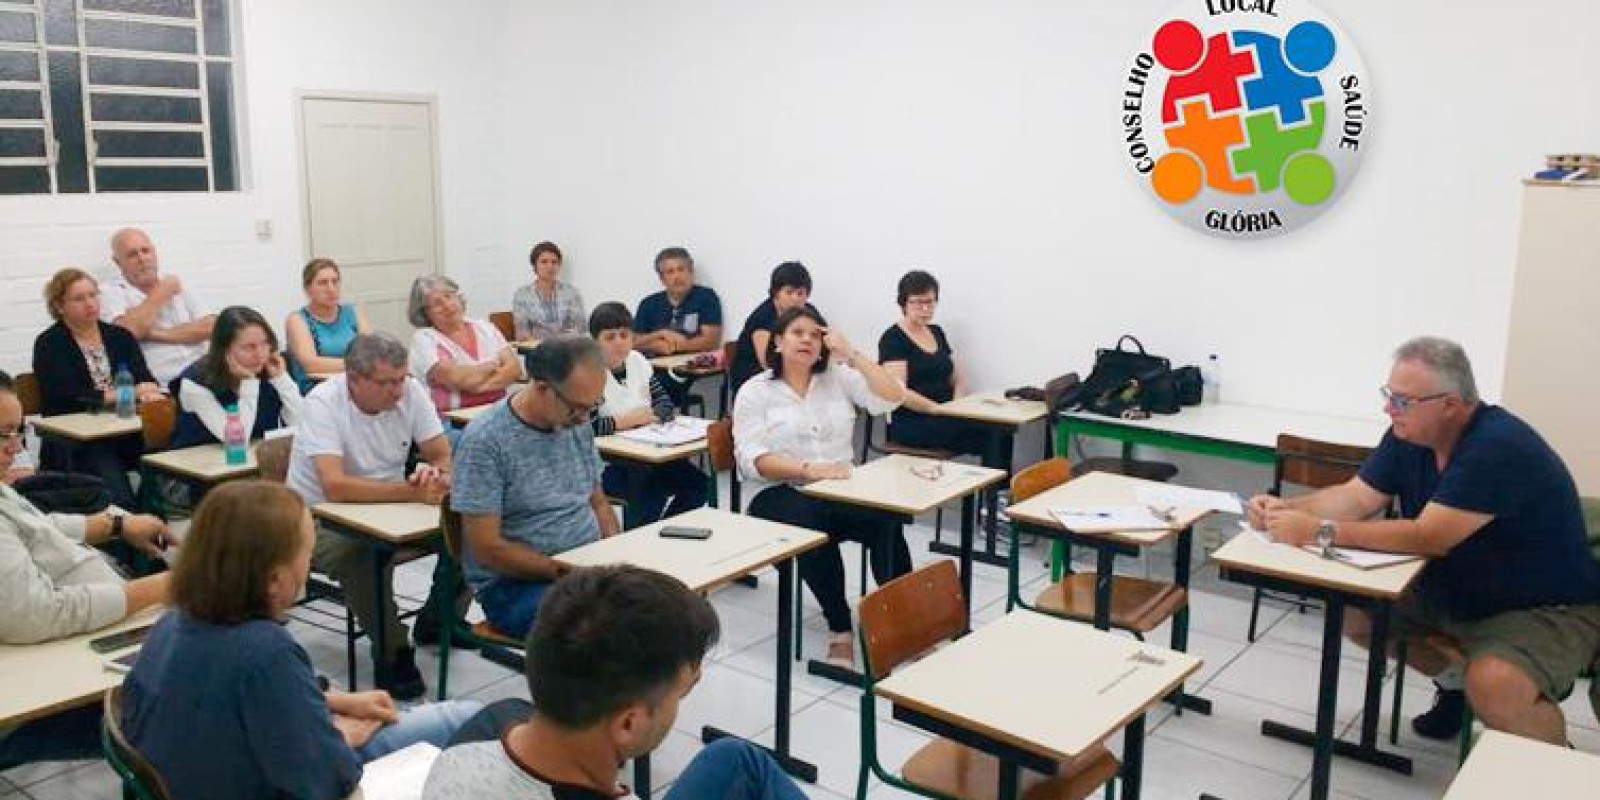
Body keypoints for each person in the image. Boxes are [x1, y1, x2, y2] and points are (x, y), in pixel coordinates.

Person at [1246, 336, 1600, 746]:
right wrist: (1287, 509)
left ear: (1450, 404)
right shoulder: (1408, 435)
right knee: (1354, 614)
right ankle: (1455, 688)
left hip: (1543, 605)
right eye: (1389, 396)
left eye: (1402, 400)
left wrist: (1318, 532)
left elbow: (1429, 537)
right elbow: (1356, 497)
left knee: (1496, 683)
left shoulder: (1498, 447)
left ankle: (1554, 773)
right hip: (1459, 587)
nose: (1388, 408)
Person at [121, 480, 481, 800]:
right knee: (469, 719)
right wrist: (335, 738)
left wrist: (328, 703)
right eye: (307, 554)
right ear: (275, 579)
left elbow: (230, 702)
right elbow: (331, 780)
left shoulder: (173, 623)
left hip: (209, 775)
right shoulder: (265, 651)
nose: (309, 565)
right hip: (279, 782)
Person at [422, 564, 808, 800]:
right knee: (740, 761)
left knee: (734, 758)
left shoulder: (471, 741)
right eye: (681, 692)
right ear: (628, 724)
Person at [0, 369, 171, 769]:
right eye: (2, 435)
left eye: (17, 432)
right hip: (42, 677)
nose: (15, 448)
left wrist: (116, 524)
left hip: (79, 633)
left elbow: (38, 530)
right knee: (189, 698)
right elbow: (35, 615)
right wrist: (159, 588)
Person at [733, 306, 906, 668]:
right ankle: (840, 627)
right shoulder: (755, 391)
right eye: (798, 333)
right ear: (778, 341)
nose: (808, 340)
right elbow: (754, 459)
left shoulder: (838, 377)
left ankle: (901, 619)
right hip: (777, 490)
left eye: (815, 334)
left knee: (886, 521)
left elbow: (893, 397)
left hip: (838, 487)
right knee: (810, 526)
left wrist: (853, 354)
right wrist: (808, 469)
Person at [287, 333, 453, 700]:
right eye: (386, 383)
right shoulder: (322, 404)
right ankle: (393, 651)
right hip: (318, 521)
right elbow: (335, 486)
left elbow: (442, 454)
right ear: (354, 379)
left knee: (467, 532)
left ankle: (440, 619)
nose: (398, 391)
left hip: (391, 509)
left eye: (402, 379)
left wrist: (434, 474)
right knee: (361, 556)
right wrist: (411, 492)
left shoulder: (410, 391)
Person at [452, 336, 619, 640]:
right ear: (542, 388)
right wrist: (566, 572)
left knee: (658, 608)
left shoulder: (576, 425)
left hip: (583, 567)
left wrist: (615, 555)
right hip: (514, 584)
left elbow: (598, 503)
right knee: (600, 629)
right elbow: (486, 548)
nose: (584, 418)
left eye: (593, 407)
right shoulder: (486, 441)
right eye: (577, 408)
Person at [31, 268, 165, 508]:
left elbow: (144, 378)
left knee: (167, 455)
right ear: (60, 306)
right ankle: (128, 525)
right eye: (79, 299)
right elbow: (70, 397)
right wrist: (127, 393)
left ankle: (151, 520)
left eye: (93, 295)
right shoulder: (50, 343)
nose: (90, 303)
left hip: (125, 430)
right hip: (79, 440)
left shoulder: (119, 336)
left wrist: (148, 391)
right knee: (117, 490)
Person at [590, 302, 707, 524]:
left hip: (650, 452)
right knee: (647, 493)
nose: (618, 342)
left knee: (697, 483)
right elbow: (589, 426)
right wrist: (628, 421)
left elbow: (663, 402)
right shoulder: (589, 371)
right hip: (611, 464)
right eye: (610, 337)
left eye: (624, 335)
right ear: (595, 341)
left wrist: (655, 415)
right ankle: (641, 542)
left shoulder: (638, 361)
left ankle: (667, 534)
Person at [876, 270, 990, 457]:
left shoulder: (937, 332)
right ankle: (988, 486)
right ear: (903, 302)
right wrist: (935, 409)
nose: (926, 309)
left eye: (930, 302)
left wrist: (955, 407)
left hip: (945, 414)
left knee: (1000, 429)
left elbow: (959, 378)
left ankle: (997, 486)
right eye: (918, 302)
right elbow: (898, 392)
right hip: (914, 420)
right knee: (987, 435)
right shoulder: (893, 338)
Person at [170, 306, 303, 449]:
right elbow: (236, 442)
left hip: (253, 462)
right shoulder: (195, 383)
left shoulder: (271, 369)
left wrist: (281, 380)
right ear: (224, 351)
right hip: (197, 466)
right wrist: (249, 383)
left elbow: (301, 425)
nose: (260, 354)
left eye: (265, 343)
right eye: (249, 347)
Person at [99, 227, 215, 386]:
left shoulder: (177, 283)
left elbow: (212, 327)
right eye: (132, 254)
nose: (142, 258)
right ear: (118, 262)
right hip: (164, 383)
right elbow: (126, 334)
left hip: (205, 372)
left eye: (146, 251)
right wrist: (162, 293)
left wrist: (151, 333)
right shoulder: (110, 292)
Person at [408, 275, 521, 433]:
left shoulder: (485, 328)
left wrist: (475, 385)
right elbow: (456, 378)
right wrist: (491, 366)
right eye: (437, 304)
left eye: (449, 296)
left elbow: (514, 370)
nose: (447, 305)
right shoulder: (424, 339)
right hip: (450, 424)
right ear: (425, 313)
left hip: (497, 415)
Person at [633, 246, 725, 408]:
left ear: (691, 271)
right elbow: (632, 341)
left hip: (685, 370)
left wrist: (674, 345)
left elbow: (710, 342)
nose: (677, 276)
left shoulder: (706, 298)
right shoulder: (649, 303)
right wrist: (659, 336)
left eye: (681, 270)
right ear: (662, 278)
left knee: (656, 389)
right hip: (649, 367)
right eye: (670, 272)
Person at [286, 258, 372, 393]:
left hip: (353, 384)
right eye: (322, 283)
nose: (331, 288)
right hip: (317, 389)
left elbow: (370, 353)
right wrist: (357, 365)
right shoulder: (297, 320)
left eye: (335, 281)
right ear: (307, 288)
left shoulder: (353, 312)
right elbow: (311, 365)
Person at [729, 261, 813, 396]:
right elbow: (769, 363)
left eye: (800, 293)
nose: (795, 299)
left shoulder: (808, 312)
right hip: (755, 383)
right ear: (776, 293)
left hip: (792, 376)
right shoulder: (763, 317)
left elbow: (822, 342)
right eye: (789, 292)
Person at [512, 241, 586, 340]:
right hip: (537, 350)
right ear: (534, 265)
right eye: (544, 262)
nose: (550, 266)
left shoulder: (571, 292)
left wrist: (558, 343)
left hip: (566, 348)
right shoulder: (522, 294)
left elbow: (579, 327)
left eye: (554, 262)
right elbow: (522, 331)